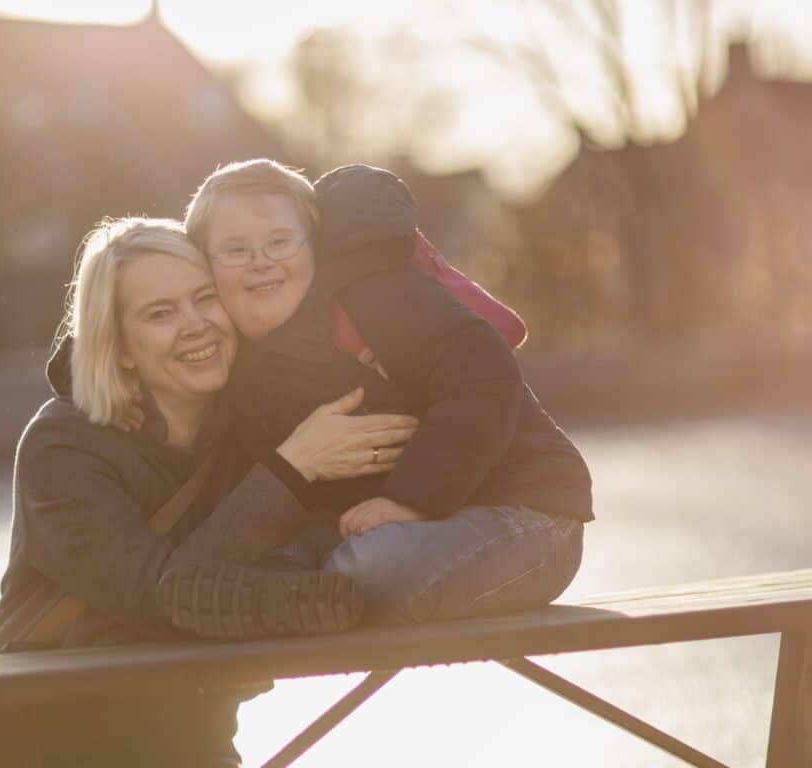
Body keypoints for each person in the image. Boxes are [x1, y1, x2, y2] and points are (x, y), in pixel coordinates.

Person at [0, 217, 418, 766]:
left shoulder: (254, 424)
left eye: (204, 299)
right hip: (46, 744)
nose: (195, 325)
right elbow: (161, 600)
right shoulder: (62, 447)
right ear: (119, 346)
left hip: (193, 738)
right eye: (161, 314)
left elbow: (316, 543)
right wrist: (292, 469)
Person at [165, 159, 593, 631]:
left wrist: (413, 501)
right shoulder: (243, 370)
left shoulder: (372, 297)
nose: (260, 260)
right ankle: (279, 596)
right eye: (234, 249)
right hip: (413, 530)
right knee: (286, 564)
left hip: (530, 520)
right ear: (204, 266)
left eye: (280, 242)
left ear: (314, 244)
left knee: (368, 569)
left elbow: (485, 372)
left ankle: (286, 601)